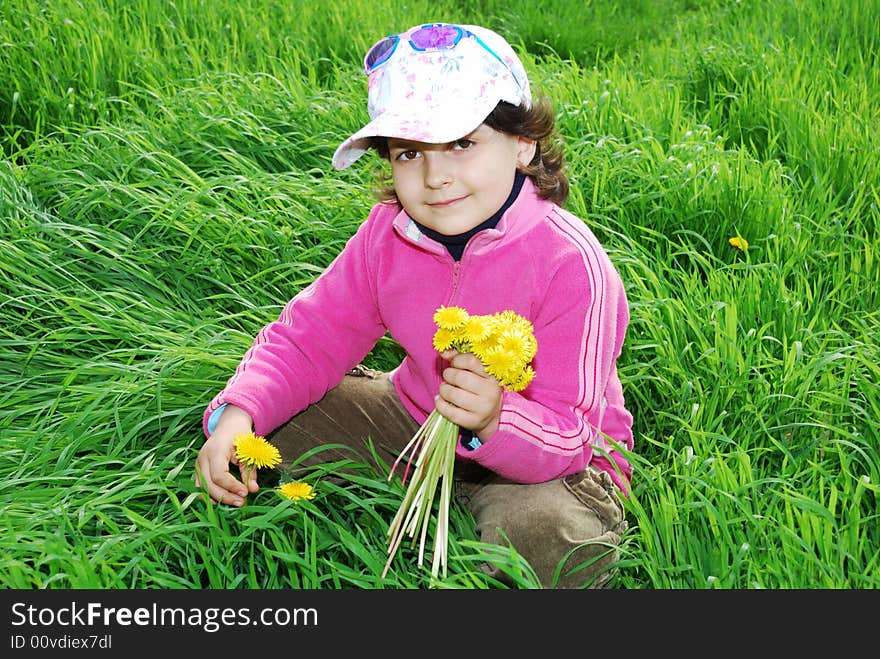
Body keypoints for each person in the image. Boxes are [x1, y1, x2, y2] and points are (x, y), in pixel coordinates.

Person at [194, 21, 634, 589]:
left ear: (523, 143)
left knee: (543, 541)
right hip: (417, 418)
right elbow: (311, 335)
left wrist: (497, 418)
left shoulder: (572, 264)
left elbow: (571, 432)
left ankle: (516, 527)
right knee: (261, 434)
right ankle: (294, 453)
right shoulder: (389, 235)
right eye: (409, 151)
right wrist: (240, 414)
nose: (435, 176)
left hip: (549, 459)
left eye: (461, 143)